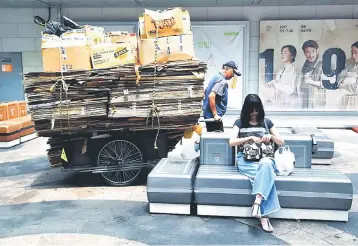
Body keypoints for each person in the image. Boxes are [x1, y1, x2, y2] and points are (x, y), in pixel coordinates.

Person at [229, 94, 285, 233]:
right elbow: (231, 142)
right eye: (251, 110)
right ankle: (264, 216)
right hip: (246, 160)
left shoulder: (267, 122)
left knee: (266, 165)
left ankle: (257, 203)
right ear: (246, 110)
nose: (254, 114)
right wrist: (248, 138)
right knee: (266, 177)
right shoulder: (239, 122)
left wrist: (270, 136)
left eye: (256, 110)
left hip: (264, 158)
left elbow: (282, 142)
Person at [202, 61, 241, 132]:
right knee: (217, 140)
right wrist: (215, 115)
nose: (233, 76)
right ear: (226, 70)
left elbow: (205, 93)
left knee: (214, 138)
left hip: (209, 115)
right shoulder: (221, 81)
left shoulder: (216, 77)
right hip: (213, 117)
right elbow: (211, 96)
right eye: (233, 73)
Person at [300, 40, 326, 109]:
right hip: (306, 100)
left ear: (317, 51)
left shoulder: (322, 65)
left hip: (317, 101)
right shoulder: (304, 67)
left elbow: (326, 84)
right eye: (307, 52)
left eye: (313, 51)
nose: (311, 55)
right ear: (304, 53)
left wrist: (311, 82)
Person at [337, 41, 358, 110]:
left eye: (356, 52)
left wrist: (344, 84)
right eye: (352, 53)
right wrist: (348, 74)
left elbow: (356, 88)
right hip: (345, 100)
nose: (353, 55)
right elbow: (339, 79)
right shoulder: (350, 65)